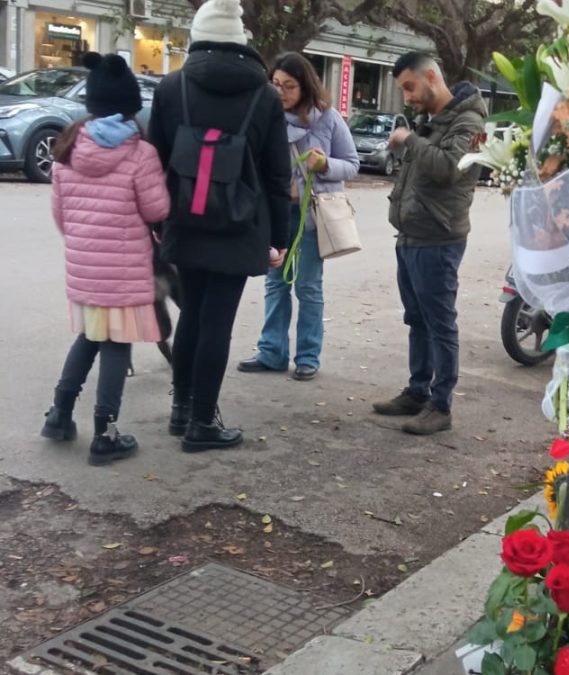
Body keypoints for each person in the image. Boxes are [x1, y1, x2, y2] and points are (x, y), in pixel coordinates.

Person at [148, 0, 291, 452]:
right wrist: (279, 238)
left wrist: (156, 219)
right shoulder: (265, 96)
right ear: (240, 40)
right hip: (241, 224)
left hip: (185, 220)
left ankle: (181, 408)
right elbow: (276, 174)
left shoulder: (172, 88)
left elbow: (156, 159)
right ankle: (203, 424)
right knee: (217, 323)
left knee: (192, 313)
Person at [40, 52, 170, 466]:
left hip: (84, 267)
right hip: (125, 269)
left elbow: (61, 216)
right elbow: (156, 210)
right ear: (131, 109)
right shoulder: (140, 153)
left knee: (89, 338)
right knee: (115, 345)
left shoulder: (67, 148)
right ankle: (106, 433)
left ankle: (59, 415)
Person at [371, 52, 486, 435]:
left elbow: (449, 170)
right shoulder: (433, 120)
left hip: (438, 239)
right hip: (411, 236)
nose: (406, 97)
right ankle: (417, 391)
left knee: (439, 323)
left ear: (432, 77)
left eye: (409, 87)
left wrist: (408, 141)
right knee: (417, 319)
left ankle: (441, 405)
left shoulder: (469, 121)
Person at [237, 52, 359, 381]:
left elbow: (352, 163)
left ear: (305, 86)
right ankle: (271, 352)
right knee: (275, 285)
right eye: (275, 84)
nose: (281, 92)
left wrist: (325, 166)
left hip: (311, 215)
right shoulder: (264, 115)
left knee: (308, 287)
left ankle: (308, 356)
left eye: (289, 86)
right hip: (274, 215)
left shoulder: (327, 118)